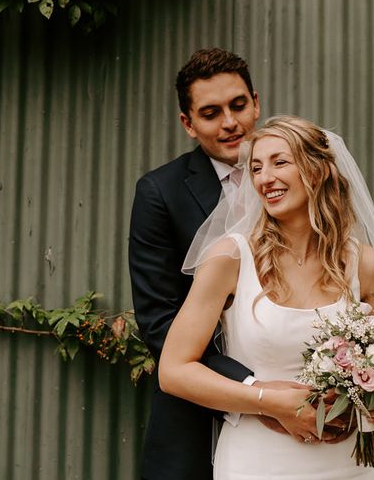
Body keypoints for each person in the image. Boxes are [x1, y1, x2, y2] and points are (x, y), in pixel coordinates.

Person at [158, 116, 374, 479]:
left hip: (343, 462)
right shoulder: (231, 258)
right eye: (256, 167)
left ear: (318, 171)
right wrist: (268, 401)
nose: (264, 178)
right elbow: (174, 371)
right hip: (258, 459)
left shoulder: (364, 263)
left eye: (279, 162)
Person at [129, 48, 266, 480]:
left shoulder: (297, 177)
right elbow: (158, 321)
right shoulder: (160, 192)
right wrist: (252, 387)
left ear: (256, 102)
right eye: (211, 113)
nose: (230, 122)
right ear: (188, 123)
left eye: (238, 105)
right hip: (195, 411)